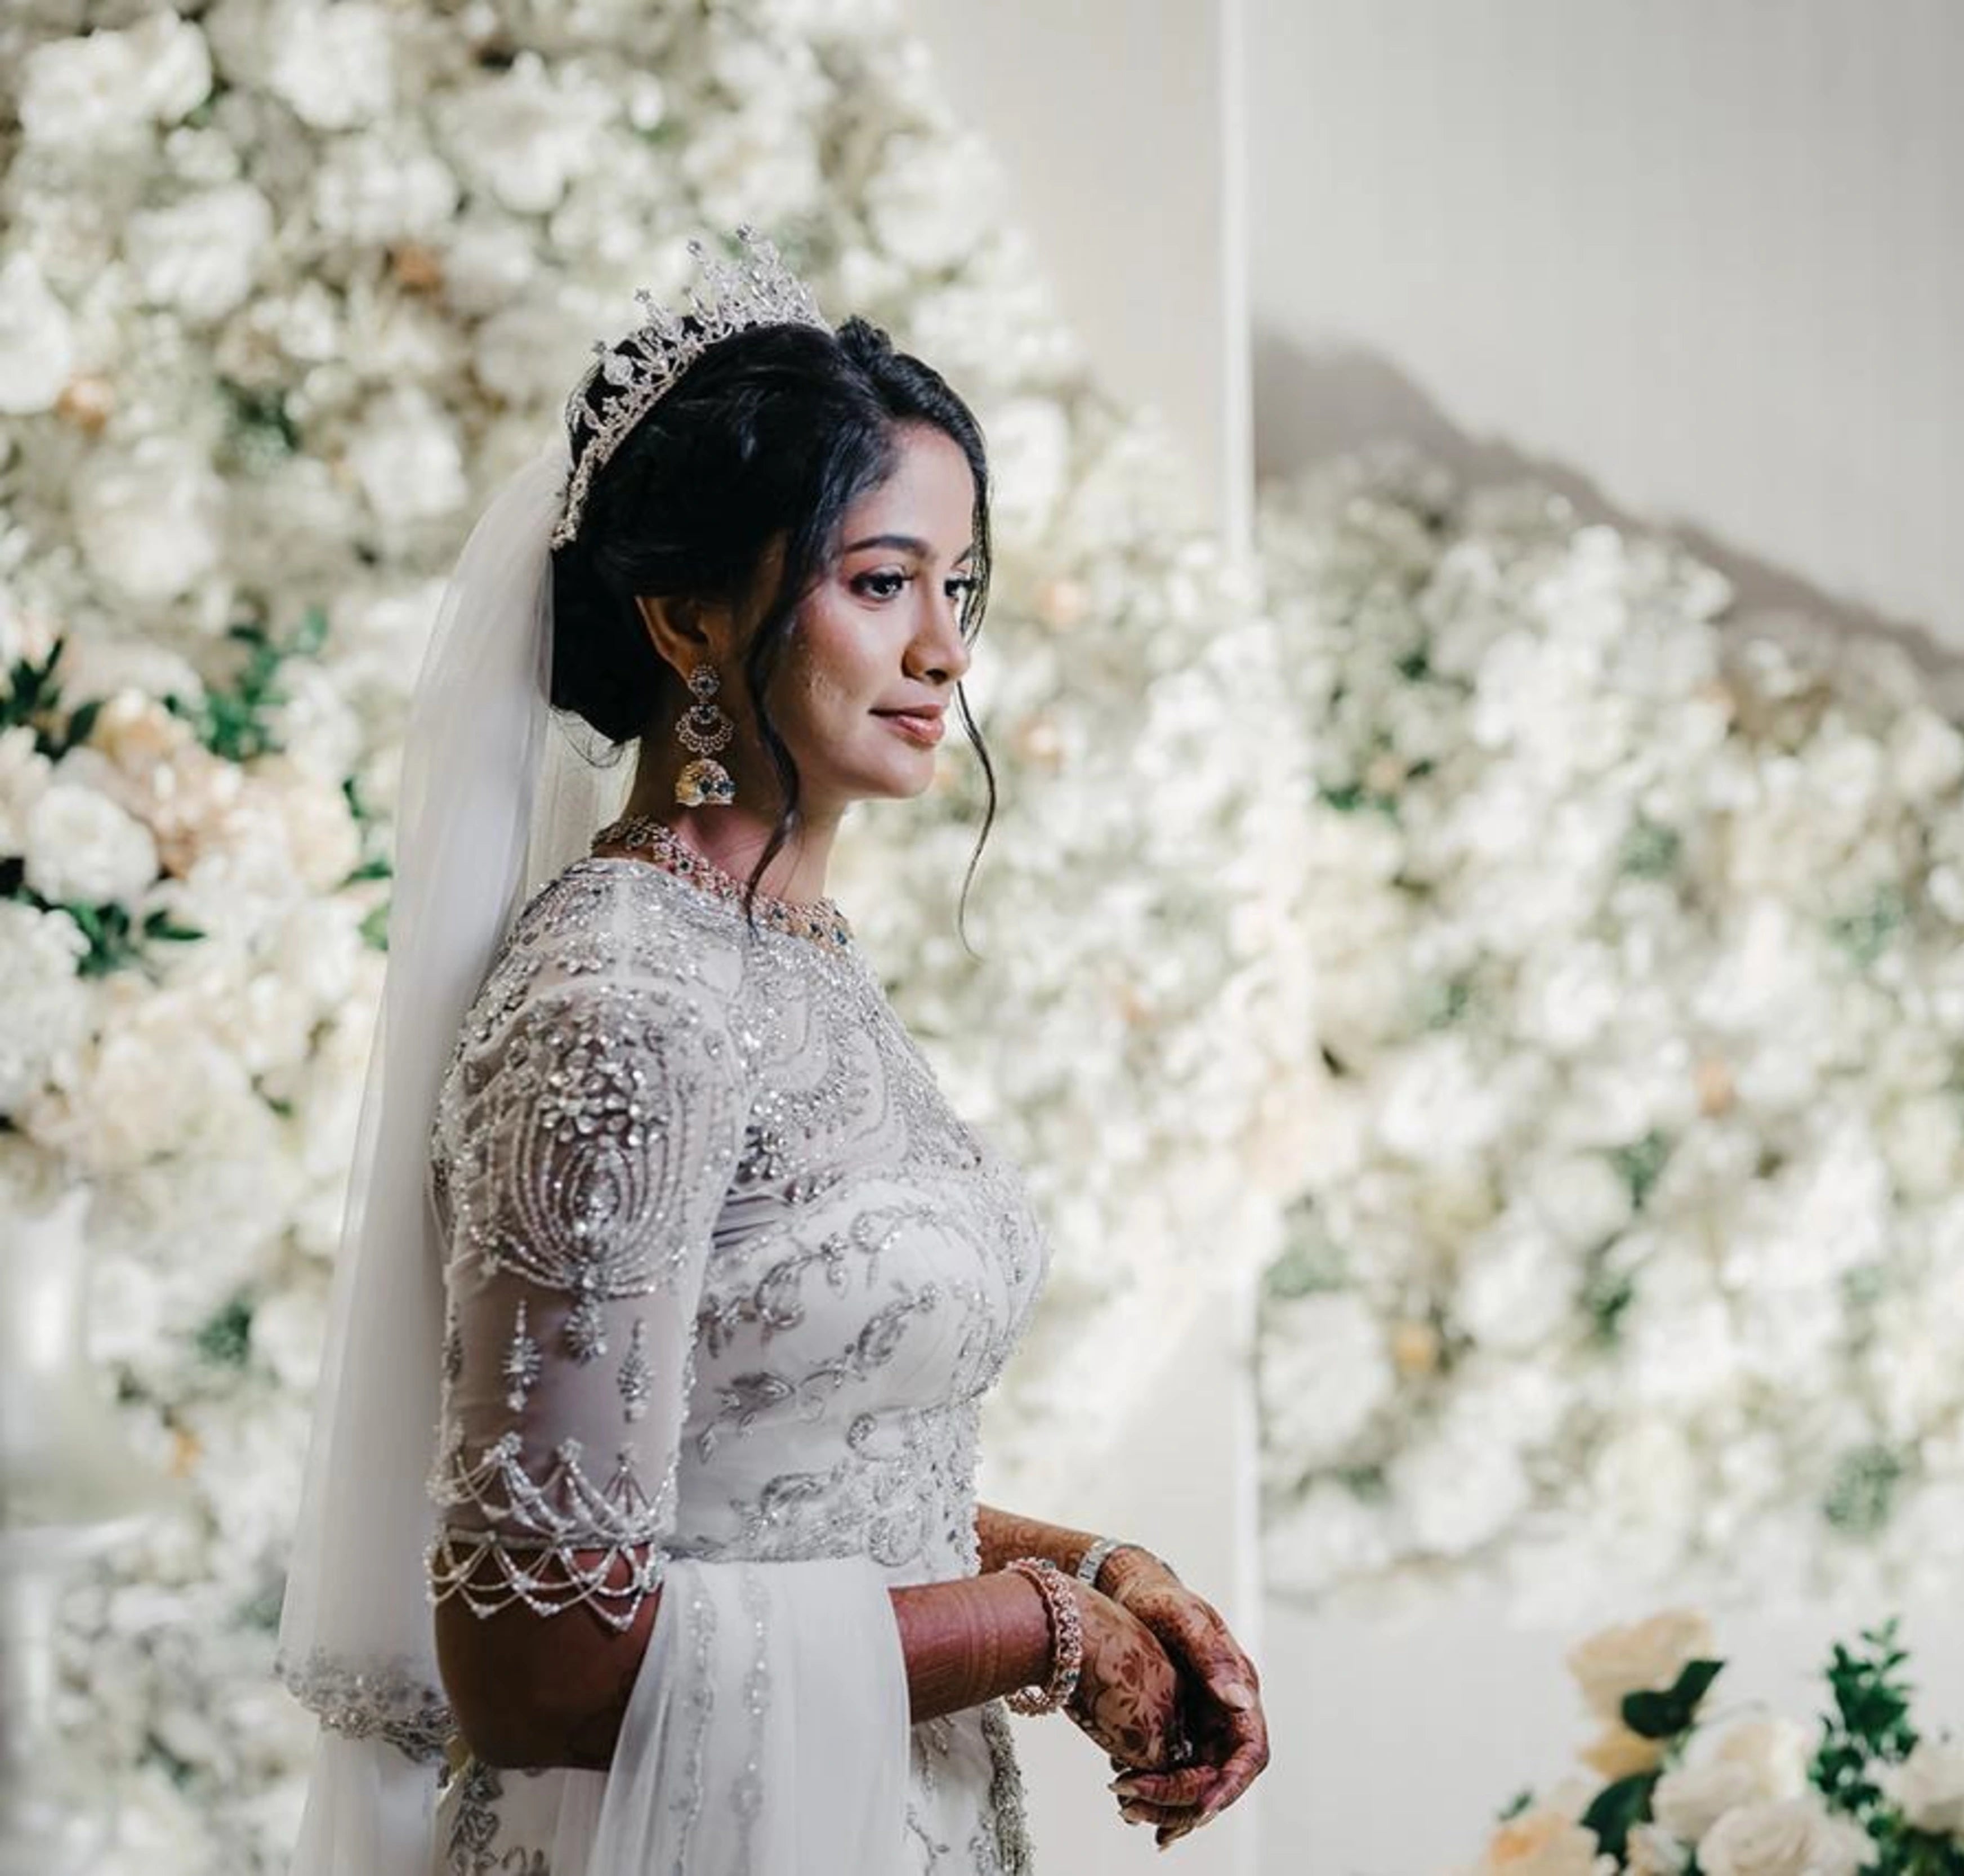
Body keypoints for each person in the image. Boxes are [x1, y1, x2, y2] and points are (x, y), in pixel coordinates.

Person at [276, 227, 1267, 1875]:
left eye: (955, 588)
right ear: (683, 619)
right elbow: (539, 1664)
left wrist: (1102, 1570)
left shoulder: (790, 957)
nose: (944, 647)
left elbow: (784, 1474)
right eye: (880, 582)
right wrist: (1040, 1632)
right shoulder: (619, 1005)